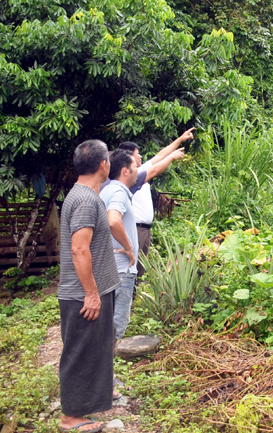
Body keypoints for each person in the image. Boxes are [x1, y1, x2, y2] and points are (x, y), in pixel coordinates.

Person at [58, 140, 119, 433]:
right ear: (103, 165)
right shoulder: (85, 200)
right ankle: (71, 417)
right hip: (82, 296)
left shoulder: (83, 195)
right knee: (79, 352)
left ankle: (88, 404)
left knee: (94, 348)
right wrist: (92, 294)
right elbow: (79, 249)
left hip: (88, 291)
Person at [115, 128, 194, 276]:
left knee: (139, 268)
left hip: (144, 229)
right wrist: (172, 157)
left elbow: (159, 156)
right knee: (131, 268)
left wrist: (180, 139)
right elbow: (155, 170)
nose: (140, 156)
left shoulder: (138, 171)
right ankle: (129, 295)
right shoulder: (130, 177)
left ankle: (133, 294)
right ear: (128, 158)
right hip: (136, 228)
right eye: (137, 153)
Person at [99, 149, 139, 342]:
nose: (137, 171)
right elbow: (113, 220)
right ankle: (106, 371)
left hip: (109, 265)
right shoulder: (118, 192)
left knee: (106, 322)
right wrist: (129, 249)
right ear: (125, 171)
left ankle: (101, 369)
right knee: (117, 324)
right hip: (121, 268)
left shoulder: (106, 190)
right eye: (135, 167)